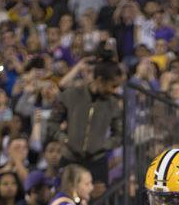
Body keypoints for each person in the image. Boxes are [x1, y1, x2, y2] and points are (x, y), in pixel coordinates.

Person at [47, 59, 124, 194]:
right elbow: (52, 123)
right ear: (100, 80)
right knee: (65, 201)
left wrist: (104, 145)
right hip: (70, 159)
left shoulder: (114, 104)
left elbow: (119, 133)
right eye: (113, 85)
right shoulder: (70, 95)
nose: (115, 90)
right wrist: (64, 139)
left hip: (97, 163)